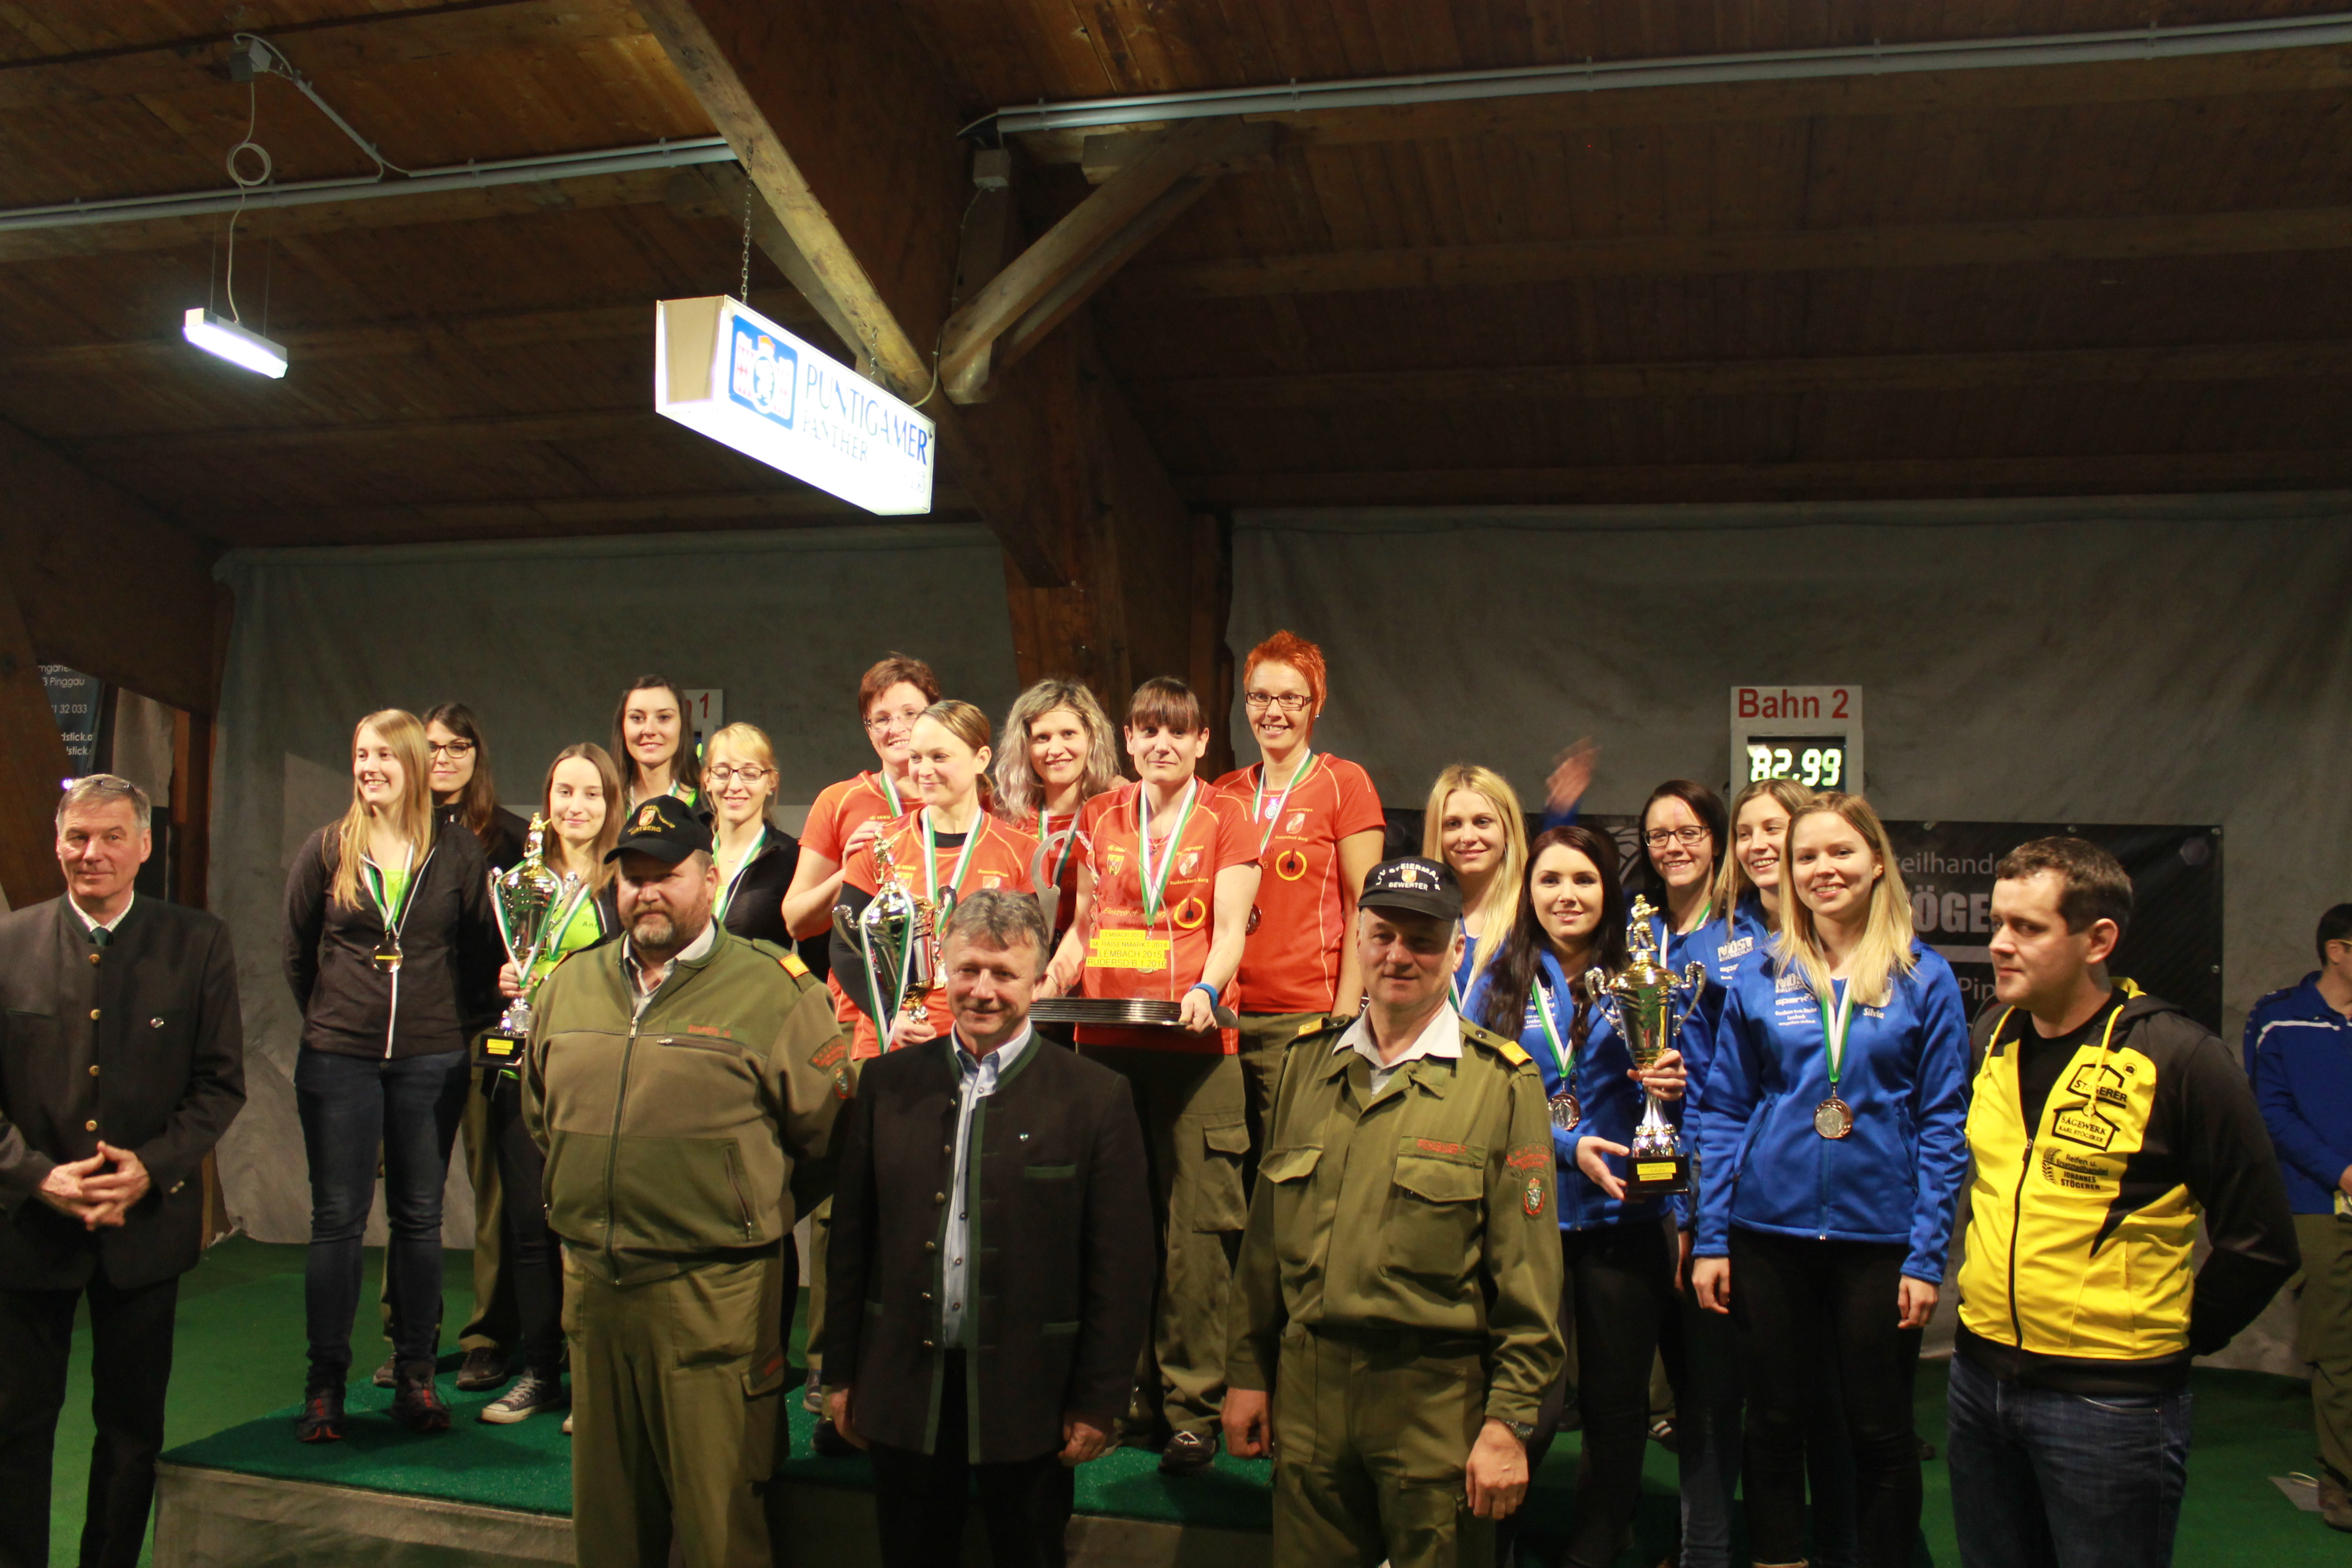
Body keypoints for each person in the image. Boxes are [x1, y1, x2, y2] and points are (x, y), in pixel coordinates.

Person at [1952, 838, 2297, 1567]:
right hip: (1979, 1381)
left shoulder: (2180, 1056)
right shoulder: (1992, 1035)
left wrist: (2167, 1342)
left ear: (2098, 940)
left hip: (2111, 1403)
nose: (1999, 944)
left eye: (2027, 927)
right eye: (1997, 923)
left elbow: (2262, 1240)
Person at [524, 795, 846, 1568]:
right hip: (595, 1293)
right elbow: (543, 1118)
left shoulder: (774, 990)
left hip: (714, 1299)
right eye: (633, 877)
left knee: (719, 1526)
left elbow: (828, 1140)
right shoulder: (568, 985)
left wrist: (737, 1204)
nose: (648, 892)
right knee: (609, 1527)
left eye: (666, 875)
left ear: (709, 878)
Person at [1223, 856, 1565, 1567]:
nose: (1398, 956)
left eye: (1423, 941)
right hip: (1309, 1394)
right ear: (1357, 937)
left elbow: (1529, 1281)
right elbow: (1263, 1244)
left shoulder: (1501, 1083)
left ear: (1457, 949)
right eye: (1382, 935)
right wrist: (1248, 1372)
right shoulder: (1306, 1065)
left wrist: (1509, 1420)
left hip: (1434, 1400)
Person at [821, 889, 1153, 1567]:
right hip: (904, 1387)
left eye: (1004, 973)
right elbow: (851, 1244)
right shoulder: (884, 1084)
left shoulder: (1096, 1096)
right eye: (969, 969)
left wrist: (1100, 1399)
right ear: (943, 967)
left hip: (1034, 1397)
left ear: (1038, 979)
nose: (982, 990)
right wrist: (841, 1373)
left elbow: (1122, 1265)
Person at [1691, 792, 1970, 1568]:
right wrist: (1711, 1237)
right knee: (1774, 1424)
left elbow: (1944, 1125)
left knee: (1878, 1430)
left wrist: (1926, 1257)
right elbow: (1725, 1109)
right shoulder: (1762, 975)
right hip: (1767, 1234)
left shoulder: (1924, 977)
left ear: (1877, 862)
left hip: (1879, 1241)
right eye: (1806, 856)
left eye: (1841, 852)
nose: (1823, 869)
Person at [0, 775, 246, 1568]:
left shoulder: (198, 942)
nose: (92, 853)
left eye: (112, 837)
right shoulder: (8, 943)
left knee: (132, 1429)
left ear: (144, 846)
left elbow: (220, 1085)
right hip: (27, 1231)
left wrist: (151, 1168)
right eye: (77, 837)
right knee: (14, 1425)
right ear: (57, 844)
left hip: (145, 1232)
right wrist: (38, 1177)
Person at [1043, 676, 1259, 1475]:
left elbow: (1231, 930)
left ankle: (1191, 1408)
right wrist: (1051, 976)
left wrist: (1208, 988)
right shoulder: (1100, 815)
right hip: (1105, 1043)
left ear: (1202, 741)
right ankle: (1120, 1398)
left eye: (1178, 731)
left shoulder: (1227, 817)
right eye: (1147, 730)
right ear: (1128, 740)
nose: (1161, 743)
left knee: (1196, 1235)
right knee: (1114, 1224)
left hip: (1197, 1049)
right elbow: (1082, 928)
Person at [1468, 825, 1690, 1568]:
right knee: (1525, 1402)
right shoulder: (1499, 977)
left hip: (1626, 1214)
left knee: (1617, 1403)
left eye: (1585, 880)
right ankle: (1494, 1540)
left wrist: (1673, 1088)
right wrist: (1566, 1147)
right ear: (1528, 891)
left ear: (1610, 891)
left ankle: (1596, 1547)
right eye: (1551, 880)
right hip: (1526, 1214)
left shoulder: (1644, 975)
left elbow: (1702, 1096)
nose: (1567, 895)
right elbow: (1480, 1097)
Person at [283, 709, 499, 1440]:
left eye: (384, 755)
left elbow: (479, 950)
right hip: (337, 1058)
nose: (370, 767)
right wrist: (340, 1020)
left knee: (420, 1219)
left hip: (431, 1060)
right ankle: (324, 1387)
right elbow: (297, 954)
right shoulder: (327, 848)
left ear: (413, 765)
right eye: (361, 754)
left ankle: (416, 1377)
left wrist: (443, 1025)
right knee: (337, 1221)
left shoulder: (458, 850)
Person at [1680, 775, 1859, 1568]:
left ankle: (1842, 1547)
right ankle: (1714, 1549)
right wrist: (1701, 1214)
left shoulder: (1867, 943)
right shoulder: (1717, 947)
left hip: (1847, 1211)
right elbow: (1712, 1095)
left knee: (1837, 1406)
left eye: (1774, 829)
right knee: (1745, 1401)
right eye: (1746, 831)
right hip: (1745, 1205)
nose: (1759, 845)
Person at [780, 653, 940, 1440]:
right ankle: (828, 1365)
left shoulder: (958, 792)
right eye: (881, 718)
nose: (896, 729)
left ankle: (916, 1363)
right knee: (846, 1203)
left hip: (940, 1028)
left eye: (910, 713)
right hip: (860, 1024)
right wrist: (855, 864)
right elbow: (797, 917)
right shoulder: (844, 802)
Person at [373, 701, 530, 1396]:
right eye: (432, 745)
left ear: (477, 754)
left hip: (487, 1030)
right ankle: (408, 1333)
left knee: (495, 1189)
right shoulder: (384, 835)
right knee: (414, 1188)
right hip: (412, 1033)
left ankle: (489, 1338)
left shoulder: (514, 841)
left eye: (458, 746)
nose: (444, 758)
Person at [476, 743, 626, 1428]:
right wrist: (506, 978)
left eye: (592, 793)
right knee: (528, 1225)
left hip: (594, 1075)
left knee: (589, 1229)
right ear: (547, 801)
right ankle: (539, 1371)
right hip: (522, 1068)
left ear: (610, 802)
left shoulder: (622, 882)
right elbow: (494, 965)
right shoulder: (519, 881)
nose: (577, 806)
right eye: (565, 791)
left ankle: (592, 1377)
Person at [1212, 631, 1386, 1172]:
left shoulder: (1344, 783)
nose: (1274, 712)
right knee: (1228, 1175)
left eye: (1291, 698)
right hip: (1226, 1013)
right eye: (1261, 697)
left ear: (1316, 703)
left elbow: (1364, 907)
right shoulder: (1224, 792)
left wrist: (1343, 1017)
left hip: (1306, 1019)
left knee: (1296, 1177)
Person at [831, 700, 1037, 1060]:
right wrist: (889, 1015)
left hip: (982, 1047)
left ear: (981, 759)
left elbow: (1027, 955)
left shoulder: (1020, 850)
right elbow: (845, 946)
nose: (923, 771)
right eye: (916, 758)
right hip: (889, 1043)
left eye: (939, 757)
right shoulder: (881, 844)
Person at [2252, 904, 2352, 1530]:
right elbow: (2272, 1113)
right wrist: (2340, 1172)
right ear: (2338, 951)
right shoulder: (2279, 1018)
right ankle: (2343, 1485)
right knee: (2338, 1349)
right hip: (2319, 1205)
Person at [993, 678, 1121, 963]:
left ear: (1091, 738)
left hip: (1098, 965)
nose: (1055, 749)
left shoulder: (1116, 813)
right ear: (1025, 746)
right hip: (1025, 966)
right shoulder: (1007, 817)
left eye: (1068, 734)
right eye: (1042, 738)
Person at [1422, 764, 1529, 1009]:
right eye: (1453, 824)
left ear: (1508, 831)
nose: (1468, 837)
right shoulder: (1420, 917)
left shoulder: (1533, 914)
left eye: (1482, 822)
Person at [704, 722, 801, 949]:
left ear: (771, 782)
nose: (734, 785)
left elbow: (815, 955)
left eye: (750, 774)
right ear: (707, 779)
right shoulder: (689, 851)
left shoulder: (791, 858)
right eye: (722, 772)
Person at [611, 675, 702, 814]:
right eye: (637, 718)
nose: (649, 730)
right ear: (622, 726)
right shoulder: (605, 805)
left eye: (664, 717)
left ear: (682, 725)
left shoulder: (709, 808)